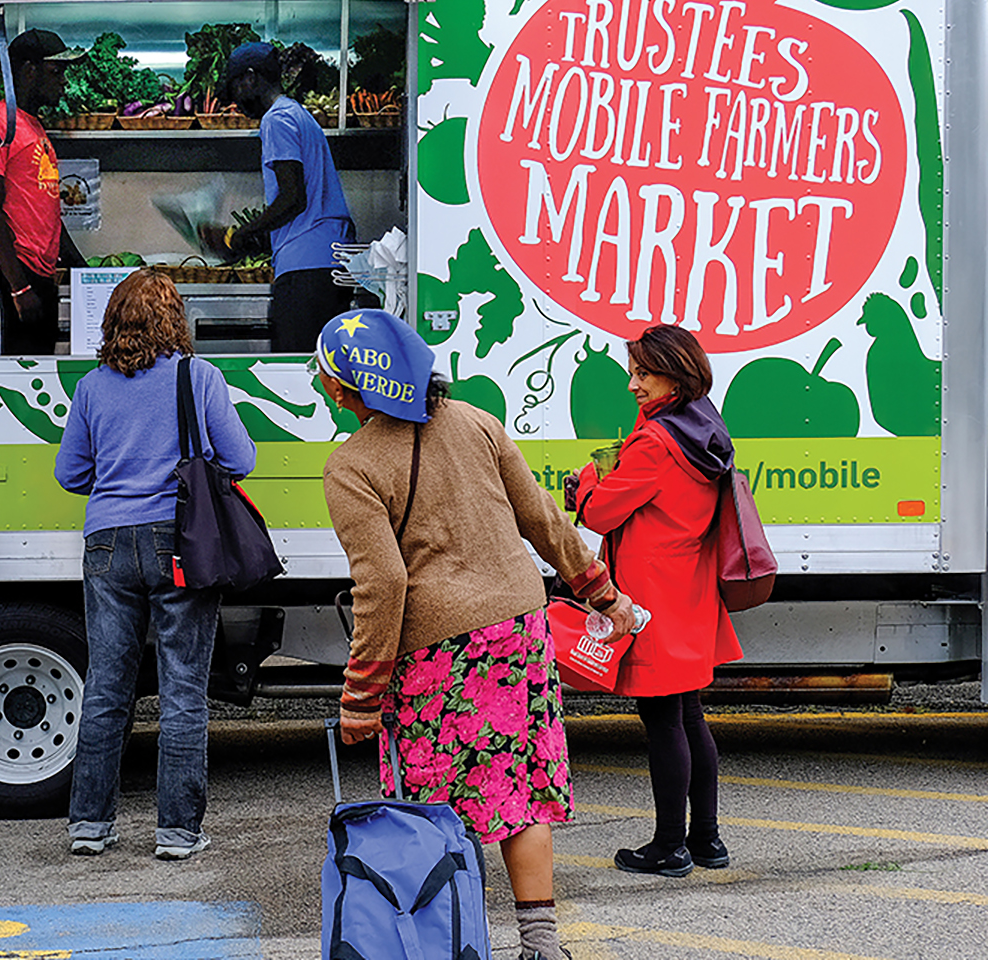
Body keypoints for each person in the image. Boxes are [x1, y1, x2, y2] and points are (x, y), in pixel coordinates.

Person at [318, 308, 635, 960]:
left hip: (439, 652)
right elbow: (544, 520)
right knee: (520, 792)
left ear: (347, 388)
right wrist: (602, 592)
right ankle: (541, 945)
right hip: (520, 632)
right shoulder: (478, 423)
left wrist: (361, 695)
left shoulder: (352, 466)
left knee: (434, 809)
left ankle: (448, 939)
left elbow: (384, 584)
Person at [54, 269, 256, 860]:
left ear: (113, 321)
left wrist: (117, 477)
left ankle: (90, 825)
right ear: (175, 320)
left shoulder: (92, 387)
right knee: (183, 688)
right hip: (180, 540)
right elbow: (240, 459)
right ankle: (177, 832)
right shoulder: (199, 377)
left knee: (106, 686)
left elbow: (70, 474)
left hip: (107, 543)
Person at [571, 323, 744, 878]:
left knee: (663, 720)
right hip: (690, 588)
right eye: (633, 372)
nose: (633, 385)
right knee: (689, 715)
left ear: (675, 376)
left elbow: (601, 513)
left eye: (643, 374)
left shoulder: (654, 443)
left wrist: (586, 481)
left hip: (650, 596)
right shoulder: (704, 427)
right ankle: (706, 839)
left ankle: (670, 845)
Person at [203, 42, 357, 353]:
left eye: (235, 88)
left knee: (295, 367)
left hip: (305, 272)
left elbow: (292, 198)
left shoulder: (276, 120)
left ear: (250, 78)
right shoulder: (298, 114)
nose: (236, 101)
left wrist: (238, 234)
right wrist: (255, 241)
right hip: (330, 265)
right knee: (322, 366)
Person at [0, 29, 88, 356]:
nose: (63, 82)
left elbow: (47, 213)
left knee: (41, 372)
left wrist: (83, 270)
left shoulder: (34, 128)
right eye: (56, 72)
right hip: (8, 274)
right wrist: (19, 287)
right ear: (28, 71)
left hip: (40, 276)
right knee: (5, 372)